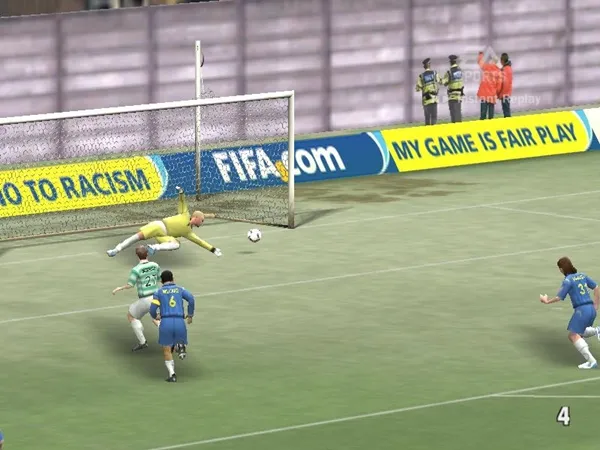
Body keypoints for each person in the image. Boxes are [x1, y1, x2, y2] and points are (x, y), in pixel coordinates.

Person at [106, 186, 222, 258]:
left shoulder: (188, 232)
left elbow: (200, 242)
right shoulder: (184, 213)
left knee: (176, 244)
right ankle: (116, 250)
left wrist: (213, 249)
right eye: (202, 220)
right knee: (136, 237)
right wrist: (181, 192)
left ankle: (153, 247)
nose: (202, 223)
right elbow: (182, 201)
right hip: (159, 226)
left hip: (164, 236)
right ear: (196, 218)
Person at [540, 257, 600, 369]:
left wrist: (547, 301)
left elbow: (559, 297)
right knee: (580, 333)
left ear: (561, 269)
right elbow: (596, 287)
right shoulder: (582, 275)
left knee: (573, 336)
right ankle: (597, 330)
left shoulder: (568, 280)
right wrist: (596, 304)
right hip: (591, 309)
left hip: (582, 310)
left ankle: (591, 361)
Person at [112, 245, 161, 351]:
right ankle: (174, 340)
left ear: (137, 255)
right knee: (157, 319)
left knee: (131, 316)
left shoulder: (136, 269)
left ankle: (143, 342)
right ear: (147, 254)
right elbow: (160, 279)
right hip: (157, 298)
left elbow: (130, 285)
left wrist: (119, 288)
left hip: (145, 299)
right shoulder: (155, 265)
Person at [150, 270, 196, 382]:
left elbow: (152, 309)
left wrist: (155, 316)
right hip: (180, 321)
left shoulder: (158, 292)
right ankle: (180, 346)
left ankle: (172, 374)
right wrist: (190, 315)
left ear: (161, 281)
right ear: (173, 279)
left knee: (166, 350)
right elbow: (191, 299)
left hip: (166, 322)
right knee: (178, 339)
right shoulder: (180, 289)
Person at [416, 58, 441, 126]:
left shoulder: (421, 76)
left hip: (426, 100)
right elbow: (440, 81)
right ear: (429, 65)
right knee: (434, 117)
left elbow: (417, 89)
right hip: (433, 99)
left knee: (427, 118)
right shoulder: (434, 73)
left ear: (424, 66)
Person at [477, 51, 502, 120]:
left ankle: (482, 124)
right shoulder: (499, 72)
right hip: (492, 94)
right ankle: (491, 124)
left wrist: (480, 55)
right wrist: (497, 93)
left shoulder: (486, 67)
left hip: (484, 93)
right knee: (491, 113)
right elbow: (499, 86)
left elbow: (480, 62)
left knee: (483, 112)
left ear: (492, 61)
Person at [441, 54, 464, 123]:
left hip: (452, 96)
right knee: (458, 113)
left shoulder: (449, 72)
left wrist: (439, 80)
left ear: (450, 62)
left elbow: (444, 82)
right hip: (459, 95)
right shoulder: (460, 70)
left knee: (453, 115)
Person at [499, 53, 513, 118]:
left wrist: (501, 94)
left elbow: (505, 83)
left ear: (502, 61)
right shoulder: (509, 68)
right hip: (507, 93)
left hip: (505, 93)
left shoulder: (505, 69)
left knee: (506, 111)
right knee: (506, 110)